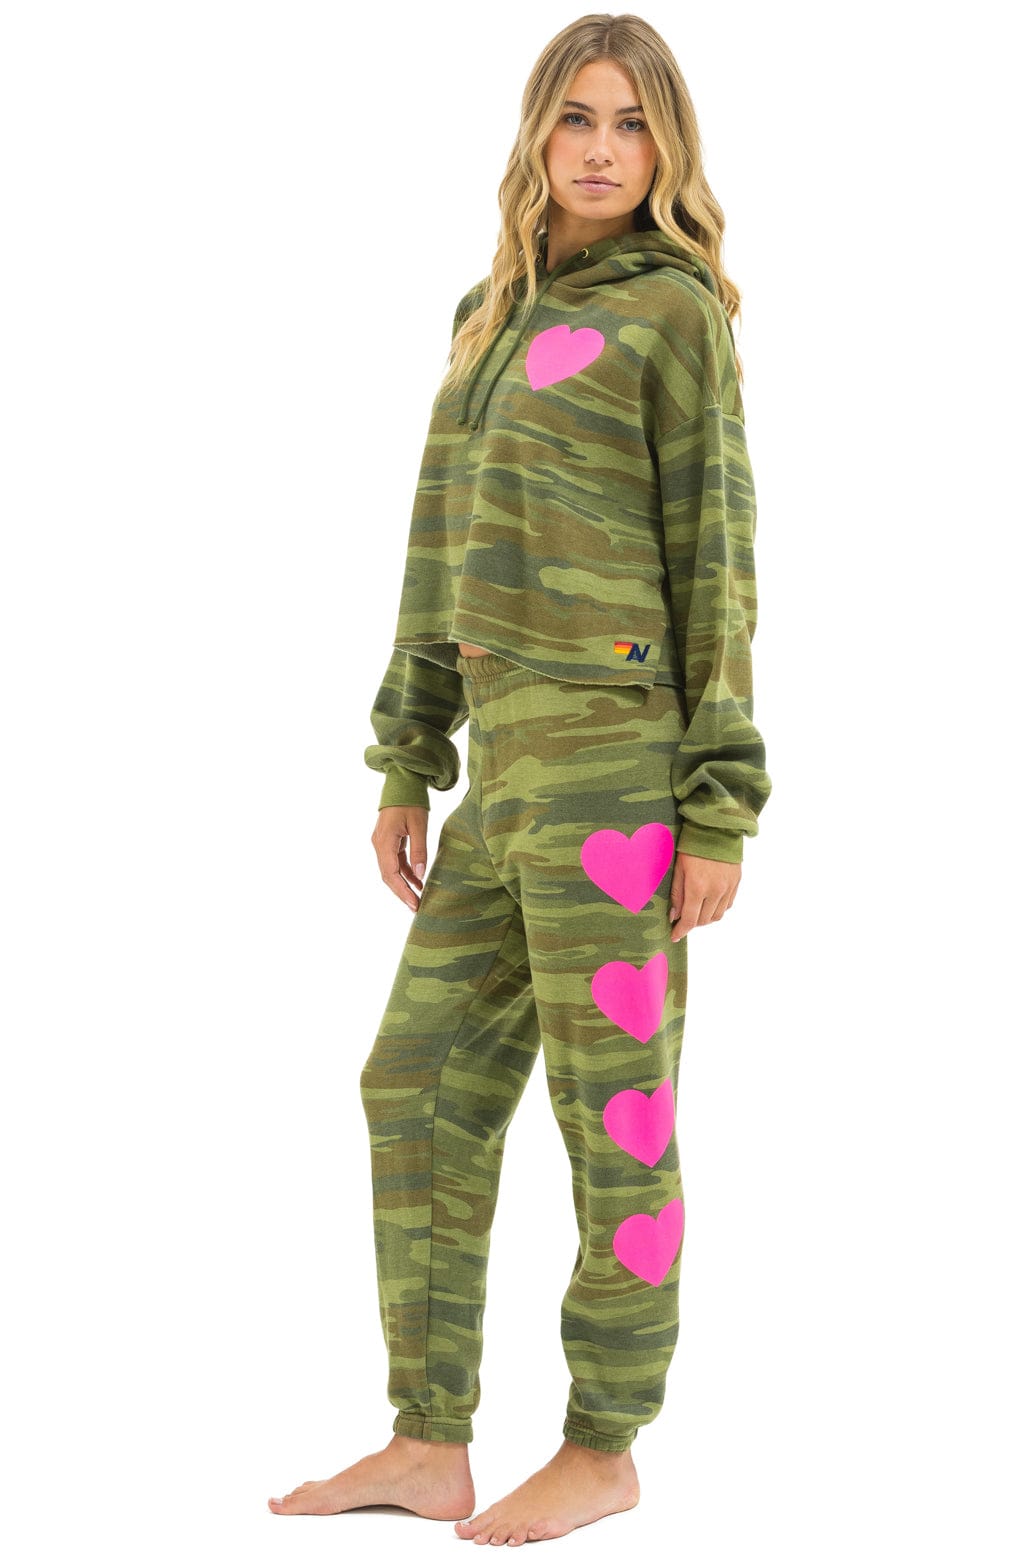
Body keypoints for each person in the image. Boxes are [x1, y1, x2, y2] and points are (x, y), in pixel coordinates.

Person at [269, 11, 772, 1546]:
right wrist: (406, 758)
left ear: (666, 145)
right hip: (498, 775)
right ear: (538, 135)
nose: (601, 149)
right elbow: (437, 549)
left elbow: (719, 562)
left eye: (631, 122)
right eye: (576, 118)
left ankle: (606, 1445)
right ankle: (430, 1438)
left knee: (613, 1113)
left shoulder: (674, 317)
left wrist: (716, 802)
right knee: (414, 1078)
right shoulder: (487, 317)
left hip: (619, 774)